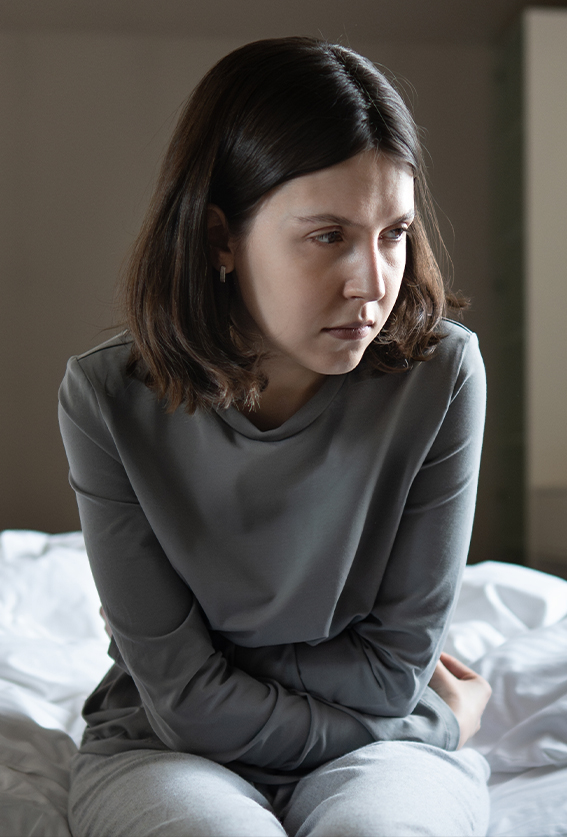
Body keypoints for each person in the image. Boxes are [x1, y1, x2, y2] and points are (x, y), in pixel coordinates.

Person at [59, 36, 492, 837]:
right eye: (327, 235)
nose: (371, 282)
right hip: (160, 746)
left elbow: (393, 673)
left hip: (379, 746)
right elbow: (182, 704)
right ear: (221, 238)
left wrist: (244, 680)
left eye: (393, 234)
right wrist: (441, 720)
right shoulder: (105, 399)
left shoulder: (442, 378)